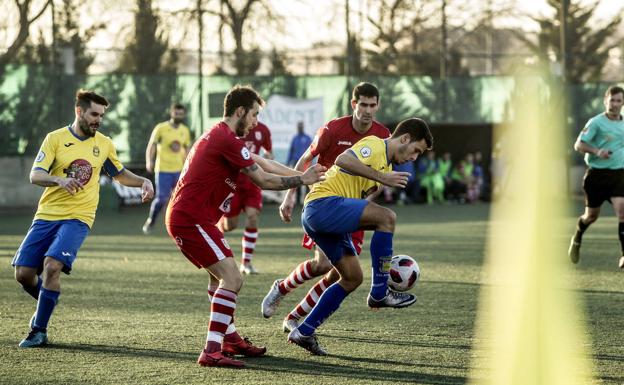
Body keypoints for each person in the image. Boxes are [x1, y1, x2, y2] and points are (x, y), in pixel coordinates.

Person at [164, 84, 326, 368]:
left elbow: (266, 163)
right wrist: (303, 180)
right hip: (190, 220)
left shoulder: (222, 136)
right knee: (234, 279)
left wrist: (307, 175)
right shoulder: (226, 139)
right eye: (253, 115)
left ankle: (230, 339)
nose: (255, 122)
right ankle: (211, 351)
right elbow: (263, 180)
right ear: (239, 111)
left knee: (219, 279)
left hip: (195, 219)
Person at [12, 90, 154, 348]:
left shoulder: (104, 144)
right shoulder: (55, 139)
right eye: (94, 114)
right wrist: (59, 179)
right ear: (79, 111)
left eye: (101, 115)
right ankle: (48, 298)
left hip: (79, 217)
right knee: (23, 275)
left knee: (52, 266)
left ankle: (38, 330)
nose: (98, 120)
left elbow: (119, 174)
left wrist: (143, 181)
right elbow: (35, 175)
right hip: (46, 215)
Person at [287, 118, 432, 355]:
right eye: (416, 150)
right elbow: (342, 160)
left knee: (352, 277)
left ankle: (304, 331)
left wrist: (378, 183)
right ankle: (379, 292)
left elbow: (359, 196)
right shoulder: (376, 145)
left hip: (325, 216)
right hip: (321, 205)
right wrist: (382, 178)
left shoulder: (385, 165)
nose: (414, 157)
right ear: (404, 139)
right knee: (388, 218)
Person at [260, 82, 390, 333]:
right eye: (363, 104)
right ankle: (282, 287)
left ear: (378, 106)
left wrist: (367, 204)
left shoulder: (383, 134)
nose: (367, 110)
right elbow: (304, 159)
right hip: (326, 204)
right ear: (354, 104)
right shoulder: (333, 129)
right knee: (322, 265)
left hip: (354, 210)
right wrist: (290, 197)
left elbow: (382, 176)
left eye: (372, 105)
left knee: (341, 274)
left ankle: (295, 316)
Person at [568, 85, 624, 268]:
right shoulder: (596, 122)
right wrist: (597, 151)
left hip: (618, 175)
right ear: (605, 101)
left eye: (618, 101)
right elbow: (578, 144)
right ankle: (577, 237)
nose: (614, 104)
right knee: (591, 216)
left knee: (622, 211)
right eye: (611, 100)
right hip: (596, 176)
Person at [218, 120, 273, 274]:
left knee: (252, 216)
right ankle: (216, 229)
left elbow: (269, 151)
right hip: (232, 184)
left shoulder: (263, 129)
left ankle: (246, 263)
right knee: (230, 225)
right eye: (252, 112)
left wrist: (269, 156)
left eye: (256, 112)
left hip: (252, 183)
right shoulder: (232, 129)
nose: (254, 116)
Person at [142, 103, 191, 234]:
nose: (178, 116)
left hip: (179, 170)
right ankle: (151, 220)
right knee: (162, 198)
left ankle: (179, 224)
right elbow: (152, 145)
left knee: (181, 199)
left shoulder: (185, 130)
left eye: (181, 114)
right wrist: (149, 161)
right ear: (171, 113)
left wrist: (189, 166)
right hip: (163, 170)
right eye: (176, 113)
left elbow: (187, 150)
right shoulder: (161, 128)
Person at [286, 121, 313, 205]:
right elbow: (291, 150)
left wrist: (312, 161)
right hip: (296, 163)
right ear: (297, 127)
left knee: (307, 182)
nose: (300, 127)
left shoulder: (308, 138)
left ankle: (307, 200)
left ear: (303, 127)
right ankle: (297, 201)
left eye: (301, 126)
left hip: (306, 163)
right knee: (297, 182)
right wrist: (288, 161)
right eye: (299, 126)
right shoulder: (295, 138)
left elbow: (313, 150)